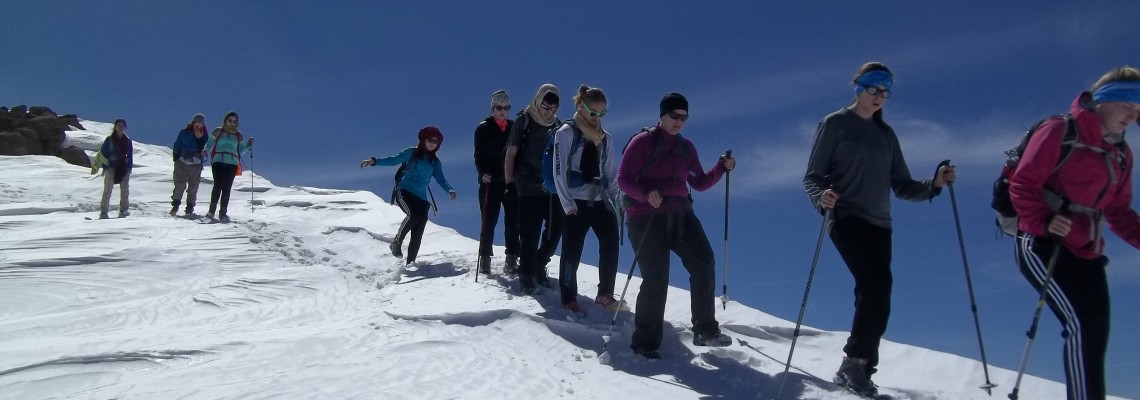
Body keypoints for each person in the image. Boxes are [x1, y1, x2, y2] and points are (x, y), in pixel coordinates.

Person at [802, 62, 955, 397]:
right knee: (876, 285)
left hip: (880, 224)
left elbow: (901, 185)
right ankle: (854, 364)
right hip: (846, 215)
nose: (879, 97)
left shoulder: (887, 136)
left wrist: (935, 184)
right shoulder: (835, 124)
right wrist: (821, 197)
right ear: (859, 87)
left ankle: (860, 369)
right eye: (874, 89)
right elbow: (812, 176)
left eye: (886, 91)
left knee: (877, 293)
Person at [1010, 66, 1140, 400]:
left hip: (1087, 249)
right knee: (1083, 324)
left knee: (1094, 332)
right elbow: (1023, 183)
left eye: (1139, 110)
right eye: (1130, 103)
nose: (1133, 114)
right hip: (1041, 242)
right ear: (1105, 100)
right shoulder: (1059, 130)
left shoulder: (1122, 156)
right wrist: (1045, 220)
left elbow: (1119, 211)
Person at [617, 92, 736, 359]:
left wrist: (721, 168)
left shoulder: (686, 147)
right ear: (662, 115)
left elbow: (700, 182)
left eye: (684, 117)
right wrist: (646, 193)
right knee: (657, 276)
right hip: (645, 216)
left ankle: (705, 330)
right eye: (674, 116)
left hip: (681, 214)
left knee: (704, 262)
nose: (679, 121)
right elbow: (623, 179)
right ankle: (645, 342)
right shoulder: (642, 142)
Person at [552, 85, 622, 314]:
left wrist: (617, 200)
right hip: (574, 200)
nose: (597, 118)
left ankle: (605, 294)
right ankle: (568, 296)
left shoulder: (606, 138)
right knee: (572, 249)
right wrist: (567, 204)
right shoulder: (565, 132)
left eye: (602, 114)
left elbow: (611, 173)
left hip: (600, 199)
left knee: (611, 242)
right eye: (593, 113)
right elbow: (559, 171)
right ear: (581, 108)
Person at [361, 126, 457, 267]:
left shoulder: (435, 162)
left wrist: (449, 189)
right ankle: (396, 242)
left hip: (421, 199)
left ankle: (410, 264)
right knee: (413, 215)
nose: (432, 143)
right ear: (424, 139)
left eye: (436, 142)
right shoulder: (411, 152)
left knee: (418, 230)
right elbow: (393, 160)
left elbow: (441, 178)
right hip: (405, 191)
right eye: (430, 139)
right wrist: (375, 161)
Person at [504, 84, 563, 294]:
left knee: (556, 226)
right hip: (527, 184)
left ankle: (539, 263)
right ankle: (526, 273)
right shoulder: (524, 121)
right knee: (530, 231)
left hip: (550, 186)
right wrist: (509, 183)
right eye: (545, 107)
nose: (548, 112)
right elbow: (511, 154)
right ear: (538, 101)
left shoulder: (557, 126)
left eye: (553, 109)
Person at [473, 90, 519, 275]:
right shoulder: (483, 127)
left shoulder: (513, 127)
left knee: (513, 221)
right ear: (493, 108)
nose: (503, 111)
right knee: (488, 221)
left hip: (509, 182)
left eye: (506, 107)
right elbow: (479, 154)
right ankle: (485, 260)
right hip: (490, 181)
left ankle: (512, 258)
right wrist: (482, 172)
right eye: (499, 107)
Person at [204, 111, 254, 223]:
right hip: (218, 160)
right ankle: (212, 211)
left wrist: (248, 145)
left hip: (232, 163)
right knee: (218, 184)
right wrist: (205, 150)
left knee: (226, 187)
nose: (232, 123)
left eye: (234, 121)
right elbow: (210, 142)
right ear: (225, 120)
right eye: (230, 120)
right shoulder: (218, 131)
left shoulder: (238, 135)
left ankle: (223, 212)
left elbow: (241, 150)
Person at [170, 113, 208, 217]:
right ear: (193, 122)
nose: (199, 125)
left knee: (193, 187)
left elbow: (206, 147)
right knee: (180, 185)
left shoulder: (204, 135)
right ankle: (175, 205)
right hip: (182, 161)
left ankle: (190, 207)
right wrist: (176, 157)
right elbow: (177, 144)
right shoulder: (184, 132)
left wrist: (200, 141)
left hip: (196, 163)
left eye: (201, 123)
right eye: (197, 122)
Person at [96, 118, 133, 219]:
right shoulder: (109, 140)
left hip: (123, 168)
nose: (121, 127)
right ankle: (104, 212)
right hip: (111, 168)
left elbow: (129, 156)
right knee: (108, 190)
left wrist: (129, 168)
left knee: (125, 190)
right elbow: (103, 153)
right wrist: (106, 167)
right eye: (119, 125)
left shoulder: (128, 141)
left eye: (122, 126)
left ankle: (124, 211)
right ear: (115, 127)